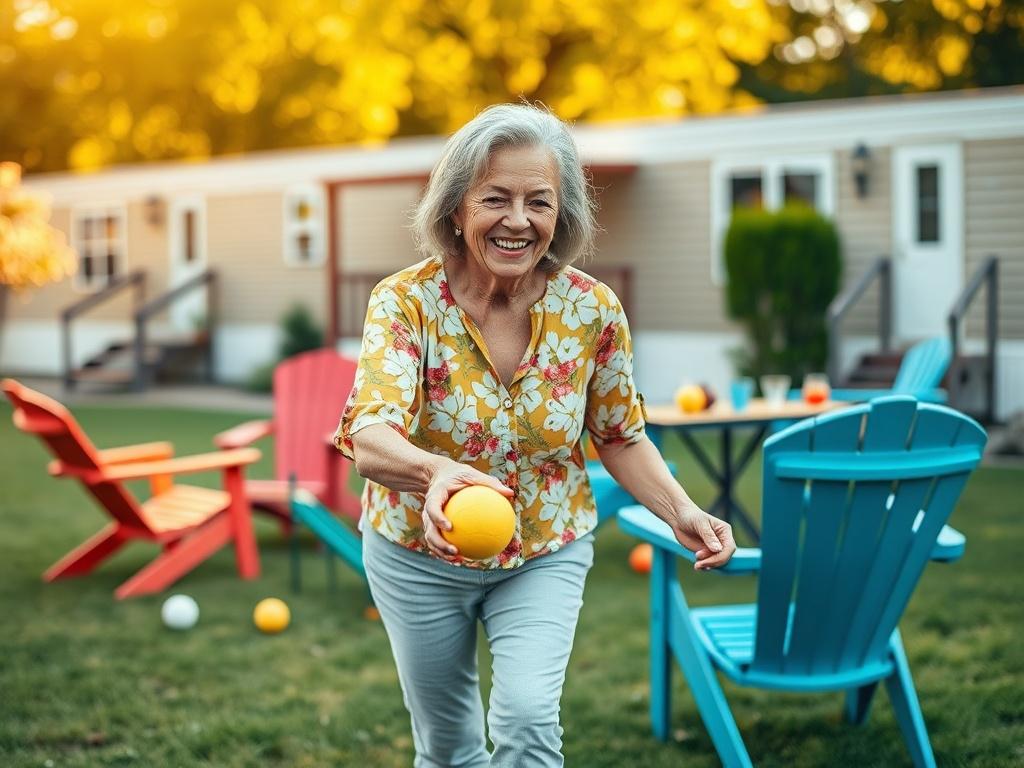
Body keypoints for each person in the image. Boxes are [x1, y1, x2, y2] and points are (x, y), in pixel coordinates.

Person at [333, 102, 736, 768]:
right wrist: (435, 474)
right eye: (496, 198)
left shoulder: (592, 309)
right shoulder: (404, 303)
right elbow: (370, 433)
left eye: (538, 202)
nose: (518, 220)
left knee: (527, 719)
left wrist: (682, 512)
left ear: (561, 215)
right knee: (449, 745)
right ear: (457, 207)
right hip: (416, 554)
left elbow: (620, 436)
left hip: (546, 547)